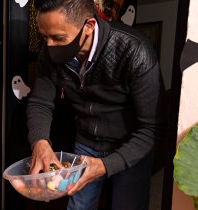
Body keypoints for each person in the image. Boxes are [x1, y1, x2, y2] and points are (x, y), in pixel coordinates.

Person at [27, 0, 166, 210]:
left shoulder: (135, 50)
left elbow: (152, 128)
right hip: (86, 143)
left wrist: (105, 166)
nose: (49, 46)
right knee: (78, 206)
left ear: (89, 26)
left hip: (131, 145)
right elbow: (40, 103)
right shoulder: (49, 53)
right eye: (44, 36)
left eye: (58, 38)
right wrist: (40, 141)